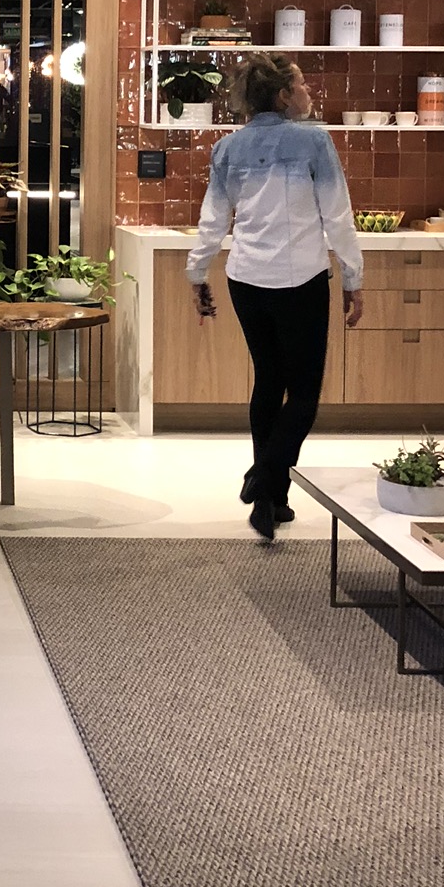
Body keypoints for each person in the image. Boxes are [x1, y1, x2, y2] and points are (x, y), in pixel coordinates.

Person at [185, 53, 364, 542]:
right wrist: (353, 278)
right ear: (284, 95)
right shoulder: (314, 141)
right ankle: (265, 476)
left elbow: (213, 219)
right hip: (301, 280)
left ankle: (271, 501)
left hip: (246, 280)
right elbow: (338, 217)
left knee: (269, 380)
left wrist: (197, 272)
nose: (309, 92)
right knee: (303, 394)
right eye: (302, 85)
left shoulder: (227, 148)